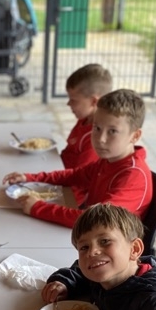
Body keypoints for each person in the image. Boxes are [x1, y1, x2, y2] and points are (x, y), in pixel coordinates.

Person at [2, 89, 152, 228]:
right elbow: (76, 175)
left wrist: (38, 208)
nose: (101, 139)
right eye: (97, 128)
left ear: (135, 136)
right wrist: (29, 177)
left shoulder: (133, 176)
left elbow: (96, 220)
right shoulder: (109, 160)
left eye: (112, 131)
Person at [61, 63, 113, 204]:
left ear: (94, 101)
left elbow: (79, 183)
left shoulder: (94, 139)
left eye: (73, 100)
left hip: (71, 198)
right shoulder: (84, 120)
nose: (68, 104)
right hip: (61, 179)